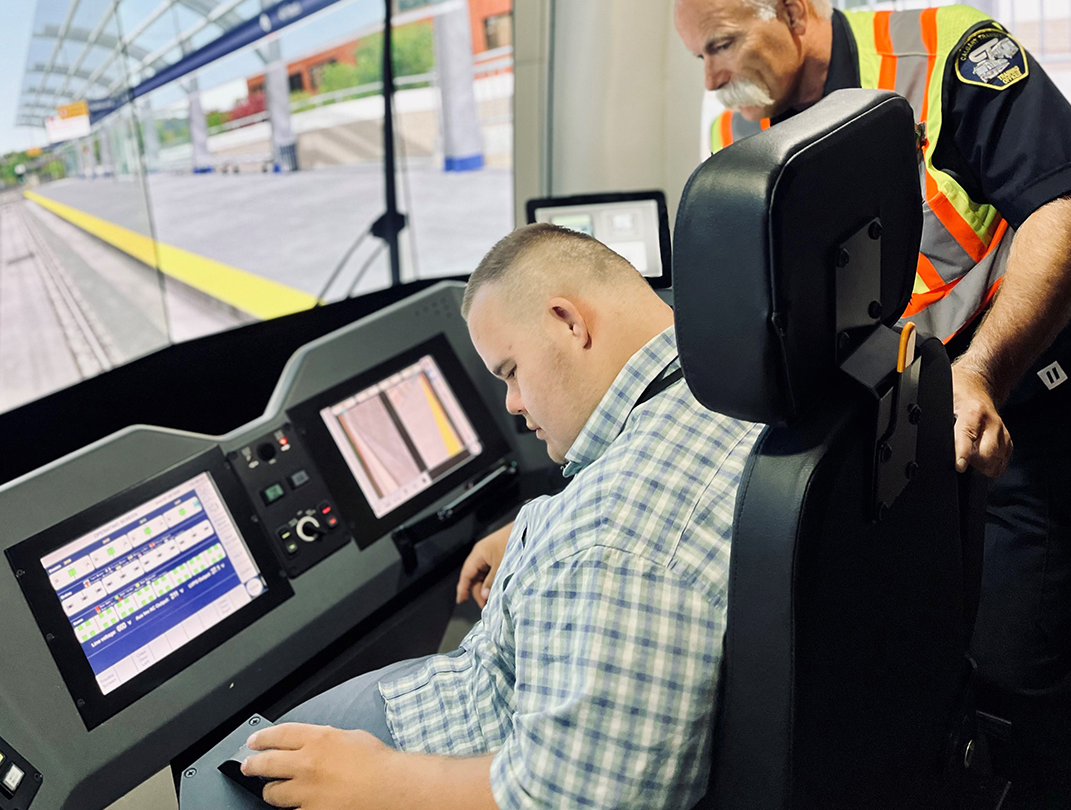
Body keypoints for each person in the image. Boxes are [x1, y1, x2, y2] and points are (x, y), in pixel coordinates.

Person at [671, 0, 1071, 804]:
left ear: (792, 11)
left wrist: (983, 372)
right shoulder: (739, 142)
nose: (713, 80)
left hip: (1022, 401)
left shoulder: (943, 50)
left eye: (722, 45)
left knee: (1009, 672)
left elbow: (1059, 208)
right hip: (894, 441)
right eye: (699, 59)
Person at [236, 223, 762, 809]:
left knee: (229, 781)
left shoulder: (610, 544)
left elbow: (564, 798)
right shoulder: (733, 380)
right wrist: (532, 535)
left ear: (569, 321)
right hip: (495, 693)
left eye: (511, 371)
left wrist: (378, 782)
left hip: (468, 746)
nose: (512, 405)